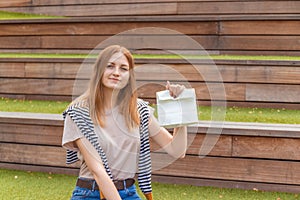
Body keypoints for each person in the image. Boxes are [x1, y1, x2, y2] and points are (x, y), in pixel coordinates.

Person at [62, 45, 187, 200]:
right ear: (99, 71)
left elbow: (177, 150)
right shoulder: (79, 113)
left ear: (129, 75)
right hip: (91, 193)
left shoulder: (138, 110)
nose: (116, 73)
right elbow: (98, 171)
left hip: (128, 192)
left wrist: (181, 110)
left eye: (123, 68)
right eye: (110, 66)